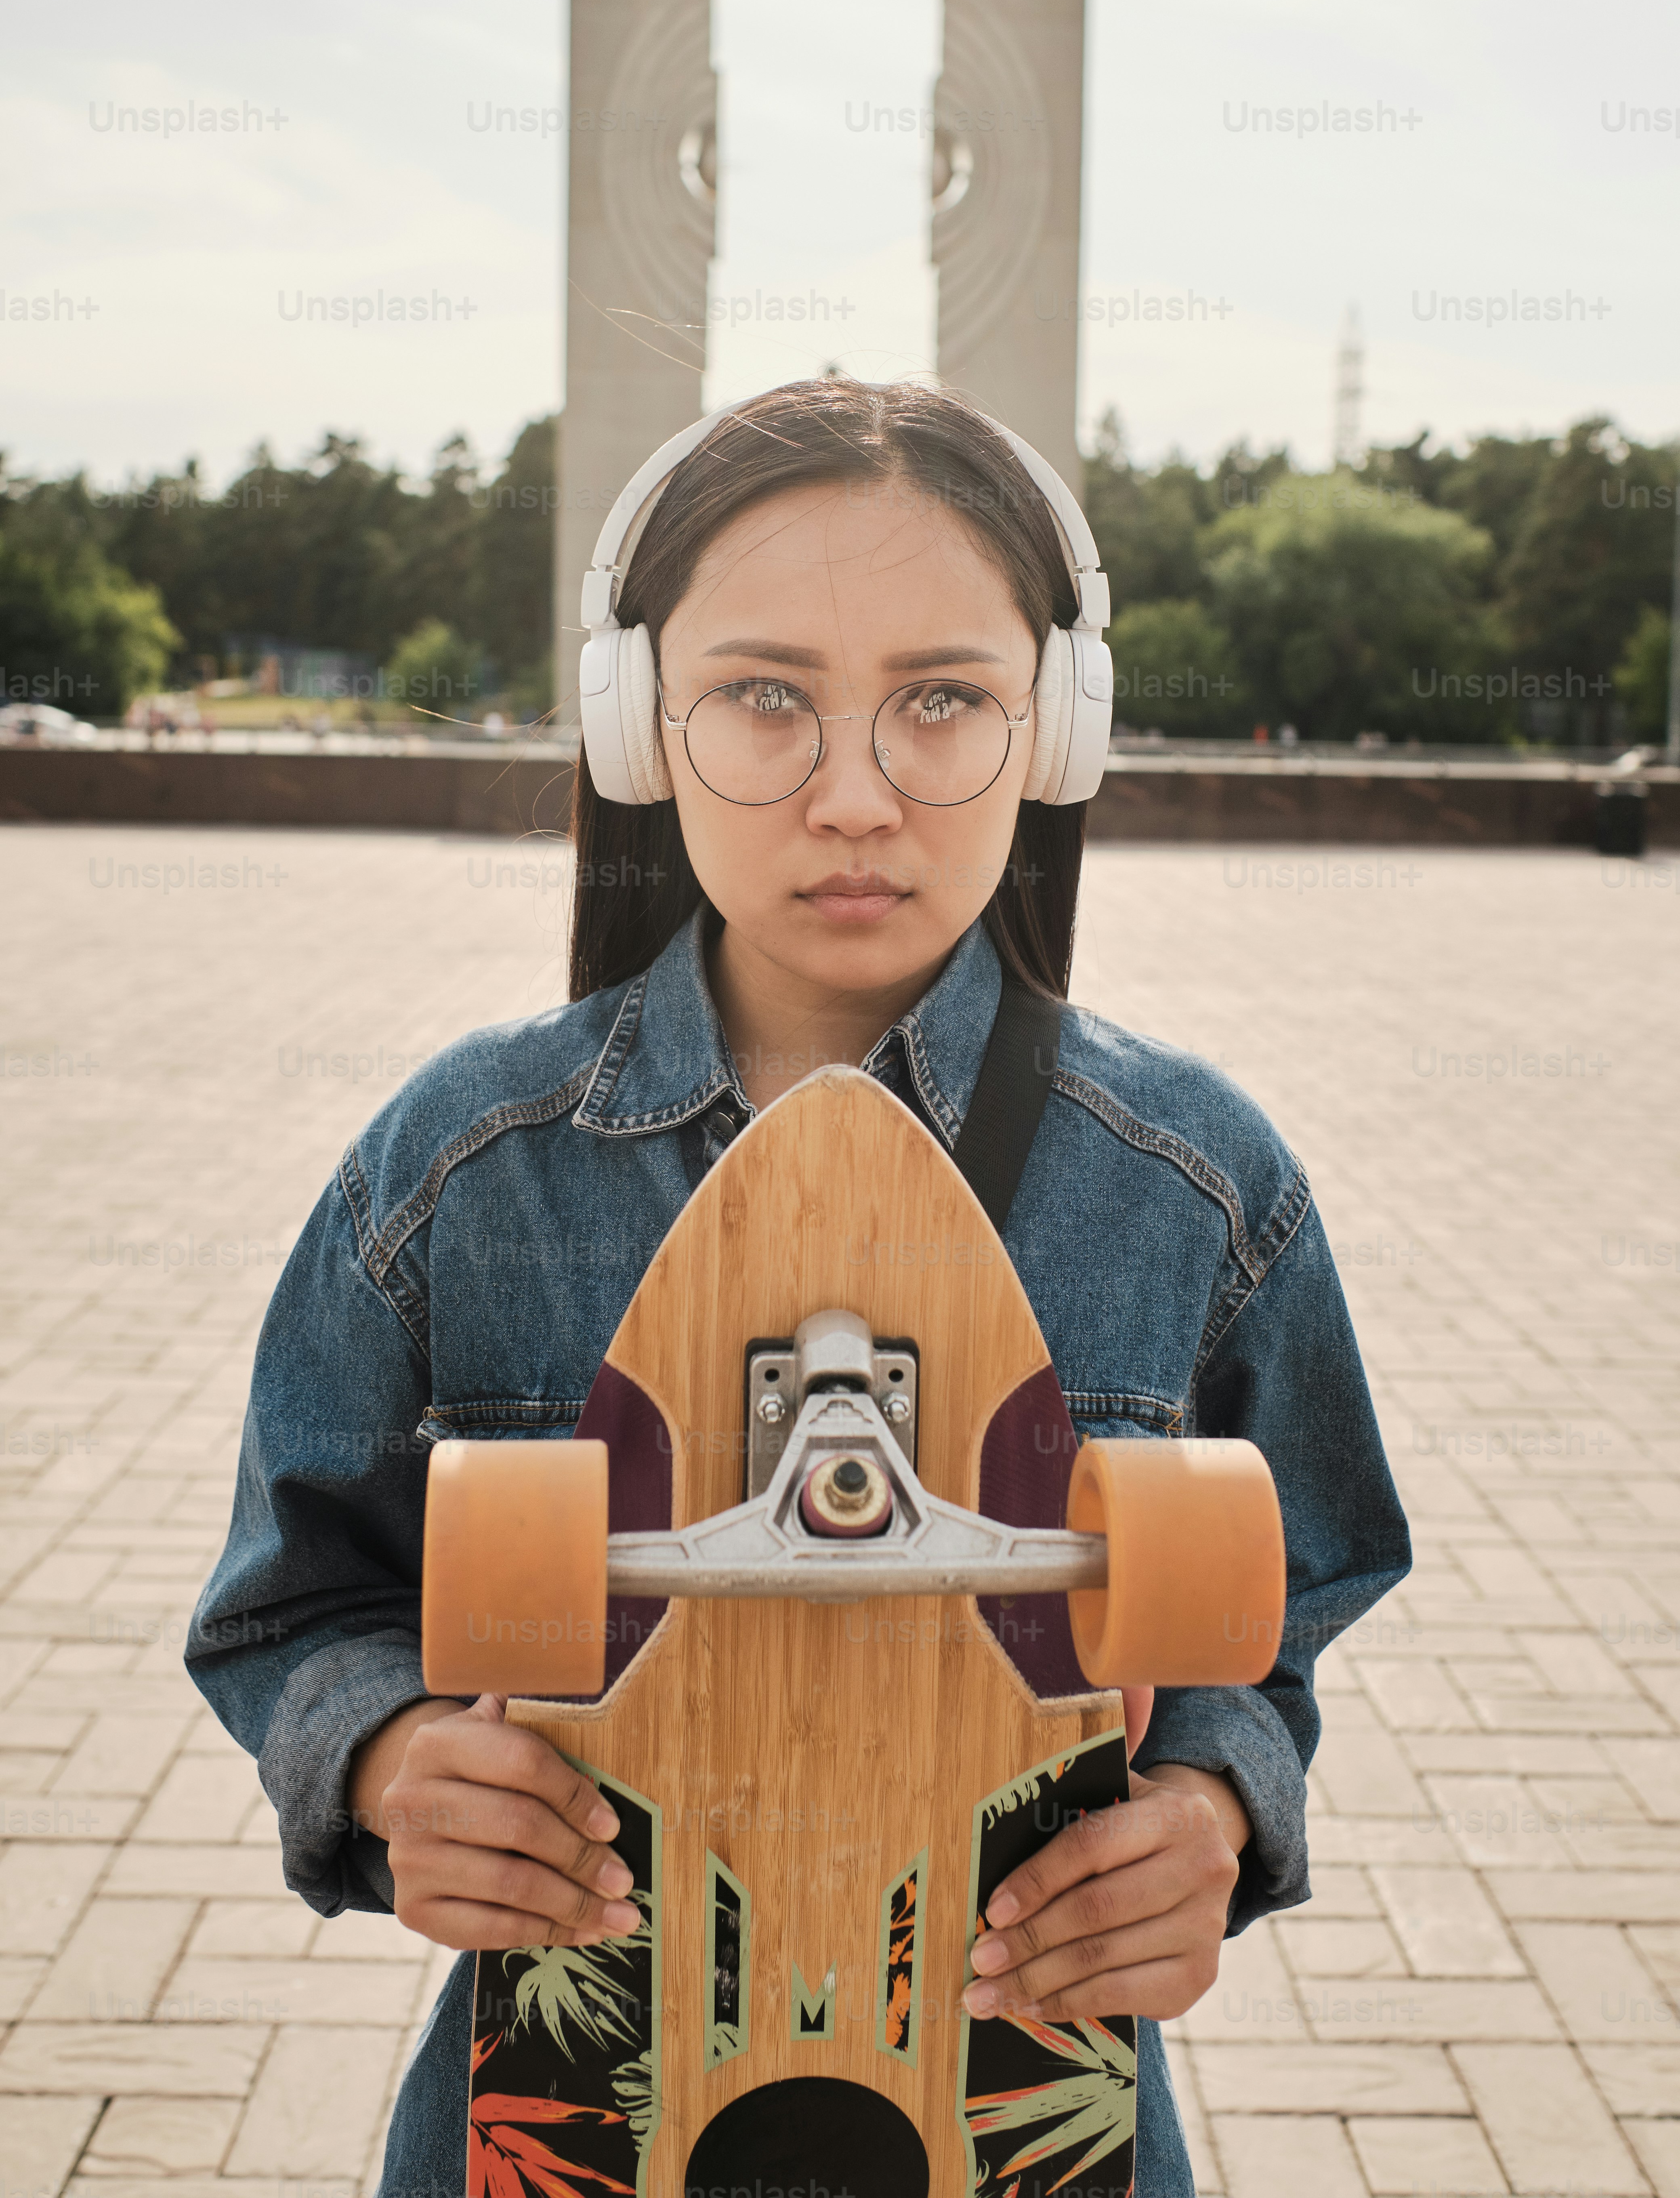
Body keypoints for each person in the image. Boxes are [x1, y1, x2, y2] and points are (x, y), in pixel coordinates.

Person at [188, 377, 1409, 2197]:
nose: (854, 795)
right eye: (765, 697)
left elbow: (1284, 1604)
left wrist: (1220, 1805)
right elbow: (290, 1601)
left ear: (1053, 727)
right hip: (574, 2116)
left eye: (943, 701)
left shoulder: (1194, 1189)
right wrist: (382, 1764)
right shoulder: (463, 1164)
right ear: (638, 721)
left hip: (1026, 2123)